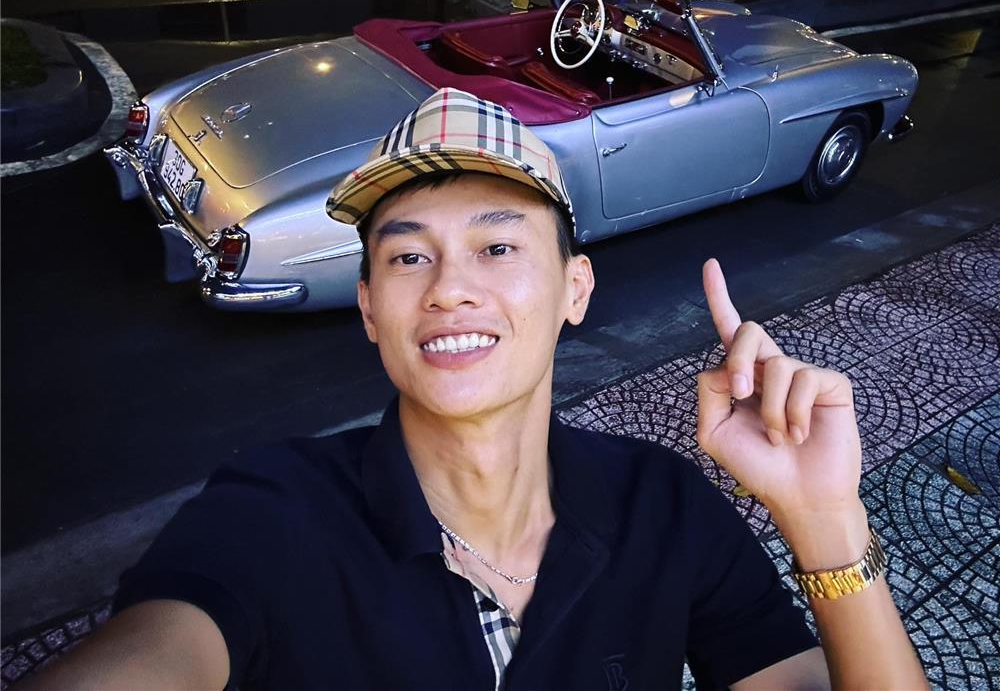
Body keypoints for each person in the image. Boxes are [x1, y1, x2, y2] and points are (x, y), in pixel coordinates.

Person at [24, 88, 927, 691]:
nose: (450, 287)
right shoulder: (271, 513)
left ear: (575, 288)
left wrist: (824, 517)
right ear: (370, 308)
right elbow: (165, 645)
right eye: (408, 257)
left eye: (497, 246)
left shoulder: (666, 507)